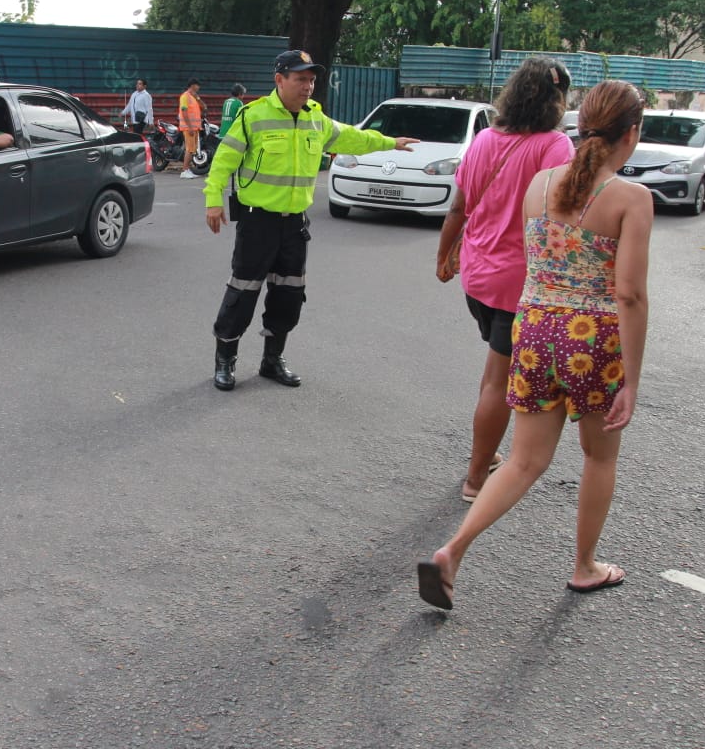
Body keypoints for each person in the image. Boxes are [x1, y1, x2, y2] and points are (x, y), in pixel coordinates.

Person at [418, 80, 654, 610]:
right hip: (592, 339)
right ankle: (585, 566)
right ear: (631, 134)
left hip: (533, 330)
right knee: (598, 457)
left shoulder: (541, 184)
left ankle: (452, 551)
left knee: (524, 460)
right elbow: (630, 295)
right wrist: (632, 380)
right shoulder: (631, 199)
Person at [203, 50, 419, 390]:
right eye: (301, 78)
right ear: (280, 79)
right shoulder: (253, 116)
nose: (308, 86)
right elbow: (223, 161)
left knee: (289, 297)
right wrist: (213, 200)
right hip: (258, 223)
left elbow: (354, 137)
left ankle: (271, 361)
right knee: (242, 294)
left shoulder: (316, 120)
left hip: (294, 226)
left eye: (312, 80)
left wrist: (390, 142)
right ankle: (225, 361)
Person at [435, 57, 575, 504]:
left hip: (478, 274)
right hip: (521, 282)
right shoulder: (554, 147)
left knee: (495, 371)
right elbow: (563, 217)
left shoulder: (482, 140)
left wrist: (443, 256)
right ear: (555, 100)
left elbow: (459, 207)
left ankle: (487, 452)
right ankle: (477, 477)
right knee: (500, 379)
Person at [179, 78, 204, 179]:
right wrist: (189, 127)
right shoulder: (185, 96)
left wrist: (197, 98)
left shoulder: (193, 97)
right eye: (198, 85)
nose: (199, 87)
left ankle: (187, 169)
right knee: (189, 149)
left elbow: (204, 107)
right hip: (188, 127)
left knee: (192, 149)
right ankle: (184, 171)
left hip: (195, 127)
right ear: (193, 85)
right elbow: (184, 112)